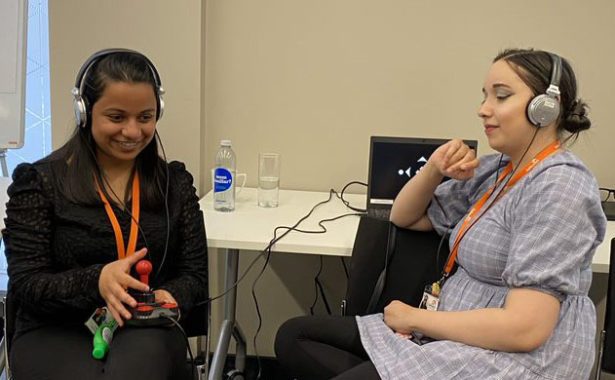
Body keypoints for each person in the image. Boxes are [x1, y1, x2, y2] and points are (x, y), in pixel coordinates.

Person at [275, 48, 606, 380]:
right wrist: (434, 169)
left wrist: (415, 319)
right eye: (484, 96)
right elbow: (404, 217)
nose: (483, 110)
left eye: (501, 96)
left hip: (511, 359)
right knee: (295, 336)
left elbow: (525, 330)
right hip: (452, 332)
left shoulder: (561, 187)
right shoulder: (499, 171)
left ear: (545, 108)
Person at [2, 49, 208, 379]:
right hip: (57, 326)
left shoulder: (175, 185)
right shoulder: (40, 183)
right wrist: (97, 280)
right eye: (116, 117)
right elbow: (28, 284)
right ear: (84, 112)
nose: (132, 131)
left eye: (145, 117)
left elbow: (194, 276)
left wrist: (171, 296)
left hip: (144, 325)